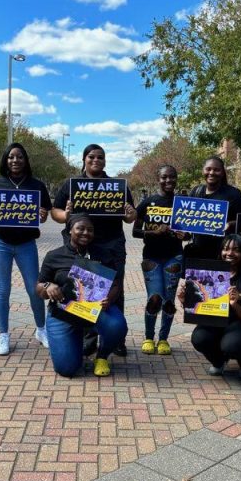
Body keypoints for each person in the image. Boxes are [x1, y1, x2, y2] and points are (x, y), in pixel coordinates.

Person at [51, 144, 136, 356]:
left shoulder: (117, 186)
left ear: (105, 161)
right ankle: (89, 337)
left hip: (112, 244)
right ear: (84, 159)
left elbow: (129, 217)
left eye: (100, 157)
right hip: (82, 245)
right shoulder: (71, 185)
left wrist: (130, 213)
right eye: (91, 156)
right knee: (85, 289)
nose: (96, 160)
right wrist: (66, 214)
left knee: (115, 291)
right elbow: (56, 212)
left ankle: (116, 339)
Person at [0, 143, 52, 355]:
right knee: (2, 289)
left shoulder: (36, 185)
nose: (15, 161)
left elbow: (44, 212)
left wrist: (43, 216)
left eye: (19, 157)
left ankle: (41, 329)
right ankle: (3, 335)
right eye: (11, 157)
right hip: (0, 242)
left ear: (26, 160)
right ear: (5, 160)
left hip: (26, 243)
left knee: (34, 288)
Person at [36, 214, 128, 377]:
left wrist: (110, 298)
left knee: (117, 326)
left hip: (96, 310)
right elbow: (39, 287)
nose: (85, 232)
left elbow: (116, 285)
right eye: (80, 228)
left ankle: (102, 356)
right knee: (67, 368)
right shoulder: (54, 256)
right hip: (63, 313)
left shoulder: (103, 254)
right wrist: (48, 286)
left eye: (90, 230)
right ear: (70, 231)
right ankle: (75, 342)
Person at [179, 234, 241, 380]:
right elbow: (197, 307)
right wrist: (185, 300)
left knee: (231, 346)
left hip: (239, 325)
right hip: (213, 322)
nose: (229, 253)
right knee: (199, 338)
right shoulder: (207, 274)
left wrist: (235, 305)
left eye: (236, 250)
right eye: (225, 249)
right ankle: (218, 361)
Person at [133, 165, 184, 355]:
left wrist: (183, 235)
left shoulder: (182, 203)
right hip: (152, 257)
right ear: (158, 178)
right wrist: (154, 232)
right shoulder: (148, 202)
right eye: (164, 177)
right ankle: (148, 337)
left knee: (169, 300)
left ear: (176, 179)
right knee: (154, 298)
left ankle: (163, 339)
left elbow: (188, 234)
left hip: (174, 256)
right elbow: (135, 231)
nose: (168, 181)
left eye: (172, 177)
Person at [186, 156, 241, 260]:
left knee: (220, 277)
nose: (211, 173)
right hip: (198, 254)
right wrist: (184, 234)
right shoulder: (195, 191)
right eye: (208, 169)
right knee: (198, 277)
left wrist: (230, 224)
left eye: (216, 170)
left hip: (224, 255)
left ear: (223, 172)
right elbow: (187, 221)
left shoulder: (234, 194)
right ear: (203, 171)